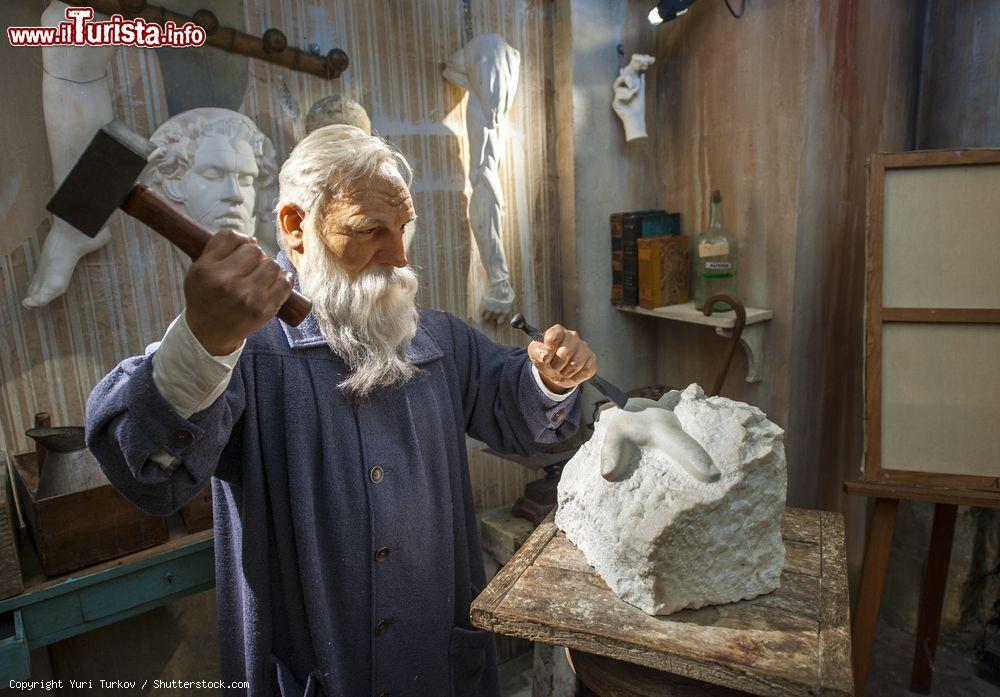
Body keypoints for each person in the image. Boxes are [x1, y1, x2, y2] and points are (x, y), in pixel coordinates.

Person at [86, 124, 596, 697]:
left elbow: (519, 414)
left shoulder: (437, 339)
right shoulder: (241, 353)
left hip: (434, 661)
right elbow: (147, 472)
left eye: (403, 229)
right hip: (314, 670)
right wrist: (201, 342)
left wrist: (548, 379)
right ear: (294, 226)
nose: (399, 256)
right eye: (370, 230)